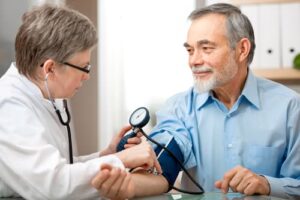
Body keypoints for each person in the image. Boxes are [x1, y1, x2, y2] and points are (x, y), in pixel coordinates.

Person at [92, 3, 300, 199]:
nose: (194, 60)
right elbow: (164, 171)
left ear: (242, 50)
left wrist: (267, 184)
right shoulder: (178, 109)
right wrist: (127, 183)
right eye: (190, 50)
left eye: (206, 48)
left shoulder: (290, 107)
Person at [0, 4, 161, 199]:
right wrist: (122, 159)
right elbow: (53, 186)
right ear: (50, 69)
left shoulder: (41, 96)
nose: (87, 77)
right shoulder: (9, 106)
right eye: (84, 67)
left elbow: (61, 167)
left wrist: (106, 154)